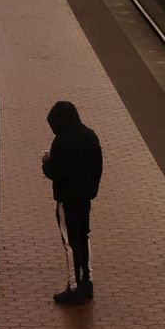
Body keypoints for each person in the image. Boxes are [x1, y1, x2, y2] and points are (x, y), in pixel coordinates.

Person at [40, 100, 102, 305]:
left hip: (67, 200)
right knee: (84, 237)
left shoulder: (61, 142)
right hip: (85, 198)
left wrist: (46, 162)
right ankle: (87, 281)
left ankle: (74, 286)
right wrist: (91, 188)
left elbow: (56, 172)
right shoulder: (90, 136)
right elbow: (97, 165)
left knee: (69, 243)